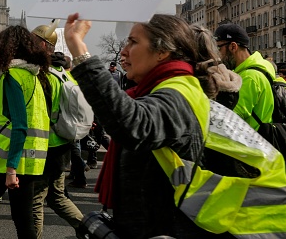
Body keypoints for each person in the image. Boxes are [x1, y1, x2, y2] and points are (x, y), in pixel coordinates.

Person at [64, 12, 234, 238]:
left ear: (163, 51)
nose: (124, 51)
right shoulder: (169, 88)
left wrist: (80, 52)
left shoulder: (179, 93)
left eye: (133, 42)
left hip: (164, 228)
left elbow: (131, 124)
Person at [0, 26, 50, 239]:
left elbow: (19, 125)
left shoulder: (12, 76)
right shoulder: (33, 76)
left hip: (7, 158)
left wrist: (11, 168)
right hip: (32, 158)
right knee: (23, 220)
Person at [30, 22, 83, 239]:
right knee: (57, 197)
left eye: (33, 42)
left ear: (43, 45)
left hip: (47, 147)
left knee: (35, 200)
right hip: (63, 145)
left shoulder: (43, 76)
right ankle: (92, 230)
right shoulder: (64, 74)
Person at [214, 23, 275, 130]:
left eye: (218, 48)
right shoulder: (258, 69)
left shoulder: (249, 77)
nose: (216, 55)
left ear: (233, 47)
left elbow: (228, 120)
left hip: (250, 143)